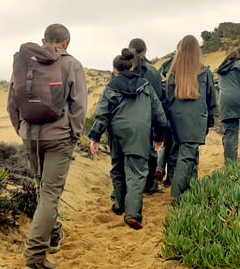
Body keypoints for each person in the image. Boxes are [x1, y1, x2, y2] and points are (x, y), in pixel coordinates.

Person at [7, 23, 87, 269]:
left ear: (44, 41)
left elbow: (12, 102)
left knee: (43, 189)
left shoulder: (24, 62)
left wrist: (21, 129)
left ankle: (52, 236)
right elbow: (79, 106)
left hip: (30, 136)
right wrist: (74, 135)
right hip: (59, 137)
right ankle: (34, 257)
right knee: (50, 194)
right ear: (66, 42)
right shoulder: (71, 64)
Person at [88, 49, 167, 230]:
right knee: (137, 173)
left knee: (117, 168)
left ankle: (119, 205)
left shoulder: (111, 87)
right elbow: (159, 114)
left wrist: (95, 137)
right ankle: (132, 213)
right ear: (132, 66)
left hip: (117, 132)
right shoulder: (145, 86)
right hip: (140, 133)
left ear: (115, 69)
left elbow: (102, 114)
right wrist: (159, 136)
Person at [163, 35, 216, 199]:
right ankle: (177, 196)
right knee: (187, 156)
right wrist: (209, 120)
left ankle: (191, 190)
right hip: (195, 120)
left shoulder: (171, 73)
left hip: (175, 119)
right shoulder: (205, 72)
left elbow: (167, 99)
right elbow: (211, 100)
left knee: (180, 154)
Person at [128, 38, 165, 194]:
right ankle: (149, 186)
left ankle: (127, 186)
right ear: (144, 51)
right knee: (149, 153)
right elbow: (158, 97)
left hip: (124, 118)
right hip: (146, 117)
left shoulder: (119, 67)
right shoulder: (152, 71)